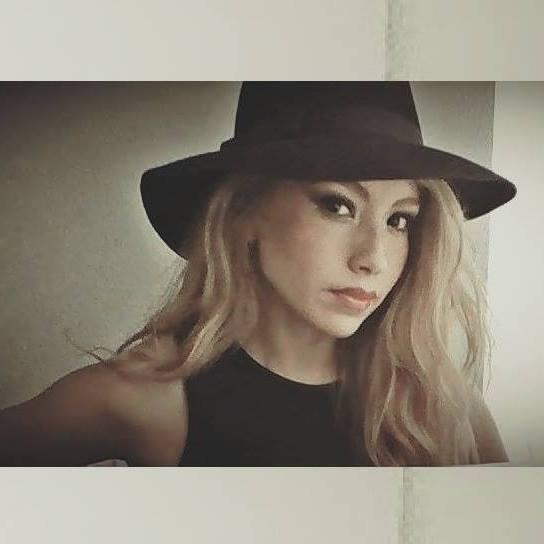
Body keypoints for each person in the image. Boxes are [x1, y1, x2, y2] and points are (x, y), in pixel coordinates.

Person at [0, 82, 516, 467]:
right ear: (244, 214)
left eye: (399, 220)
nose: (373, 258)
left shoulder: (435, 405)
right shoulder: (148, 400)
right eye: (338, 206)